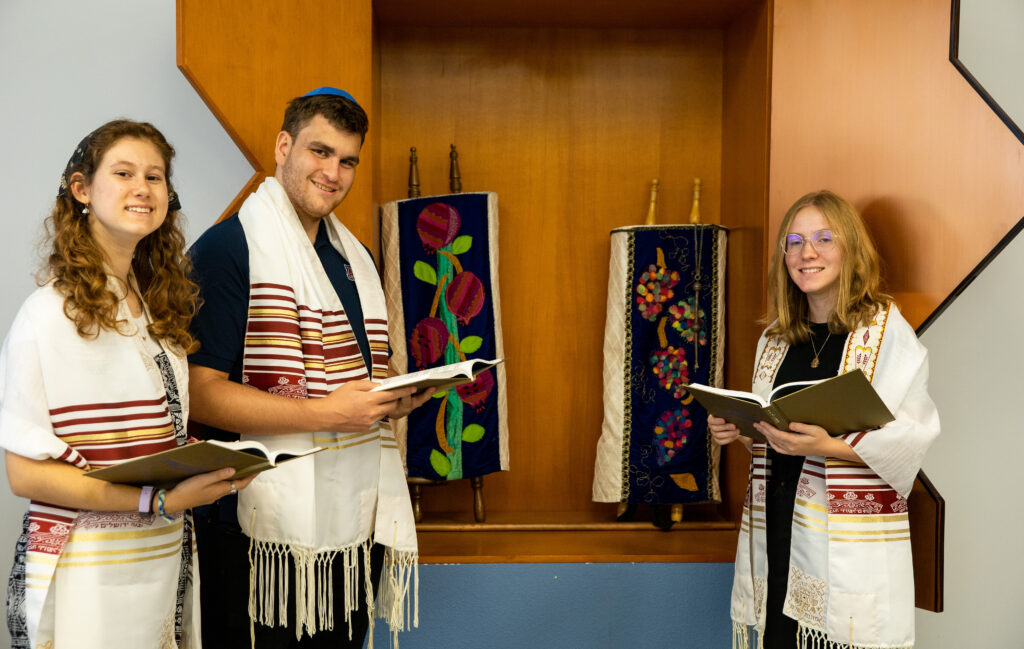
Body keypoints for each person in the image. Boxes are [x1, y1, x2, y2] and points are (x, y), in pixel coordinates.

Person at [187, 87, 431, 648]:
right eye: (320, 152)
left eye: (347, 160)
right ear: (282, 146)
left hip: (350, 525)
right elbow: (201, 395)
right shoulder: (229, 249)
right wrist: (327, 412)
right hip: (255, 528)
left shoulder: (357, 258)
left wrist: (395, 392)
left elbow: (366, 368)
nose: (333, 172)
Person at [0, 119, 253, 649]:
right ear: (82, 189)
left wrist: (209, 466)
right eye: (123, 172)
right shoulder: (46, 316)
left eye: (155, 177)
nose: (143, 187)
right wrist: (156, 502)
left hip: (160, 561)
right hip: (86, 569)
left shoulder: (158, 308)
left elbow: (157, 438)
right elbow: (24, 473)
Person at [708, 190, 940, 649]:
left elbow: (914, 435)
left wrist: (828, 447)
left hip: (842, 539)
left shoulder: (883, 329)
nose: (806, 253)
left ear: (850, 248)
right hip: (778, 520)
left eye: (822, 239)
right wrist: (737, 431)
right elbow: (776, 430)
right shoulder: (776, 337)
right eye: (794, 241)